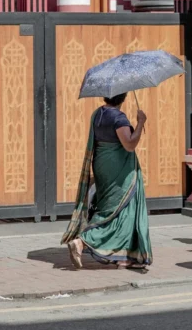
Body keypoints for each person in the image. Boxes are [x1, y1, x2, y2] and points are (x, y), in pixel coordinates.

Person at [62, 92, 153, 271]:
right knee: (121, 210)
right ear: (124, 98)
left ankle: (122, 255)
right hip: (118, 170)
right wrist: (141, 121)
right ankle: (82, 242)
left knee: (110, 208)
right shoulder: (118, 118)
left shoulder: (98, 114)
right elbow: (129, 144)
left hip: (101, 164)